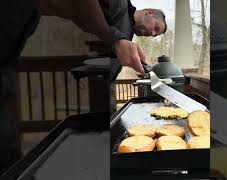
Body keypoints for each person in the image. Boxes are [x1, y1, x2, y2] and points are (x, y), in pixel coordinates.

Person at [0, 0, 166, 174]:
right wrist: (116, 39)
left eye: (156, 34)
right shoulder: (120, 4)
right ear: (149, 12)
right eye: (155, 28)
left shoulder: (129, 33)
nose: (152, 34)